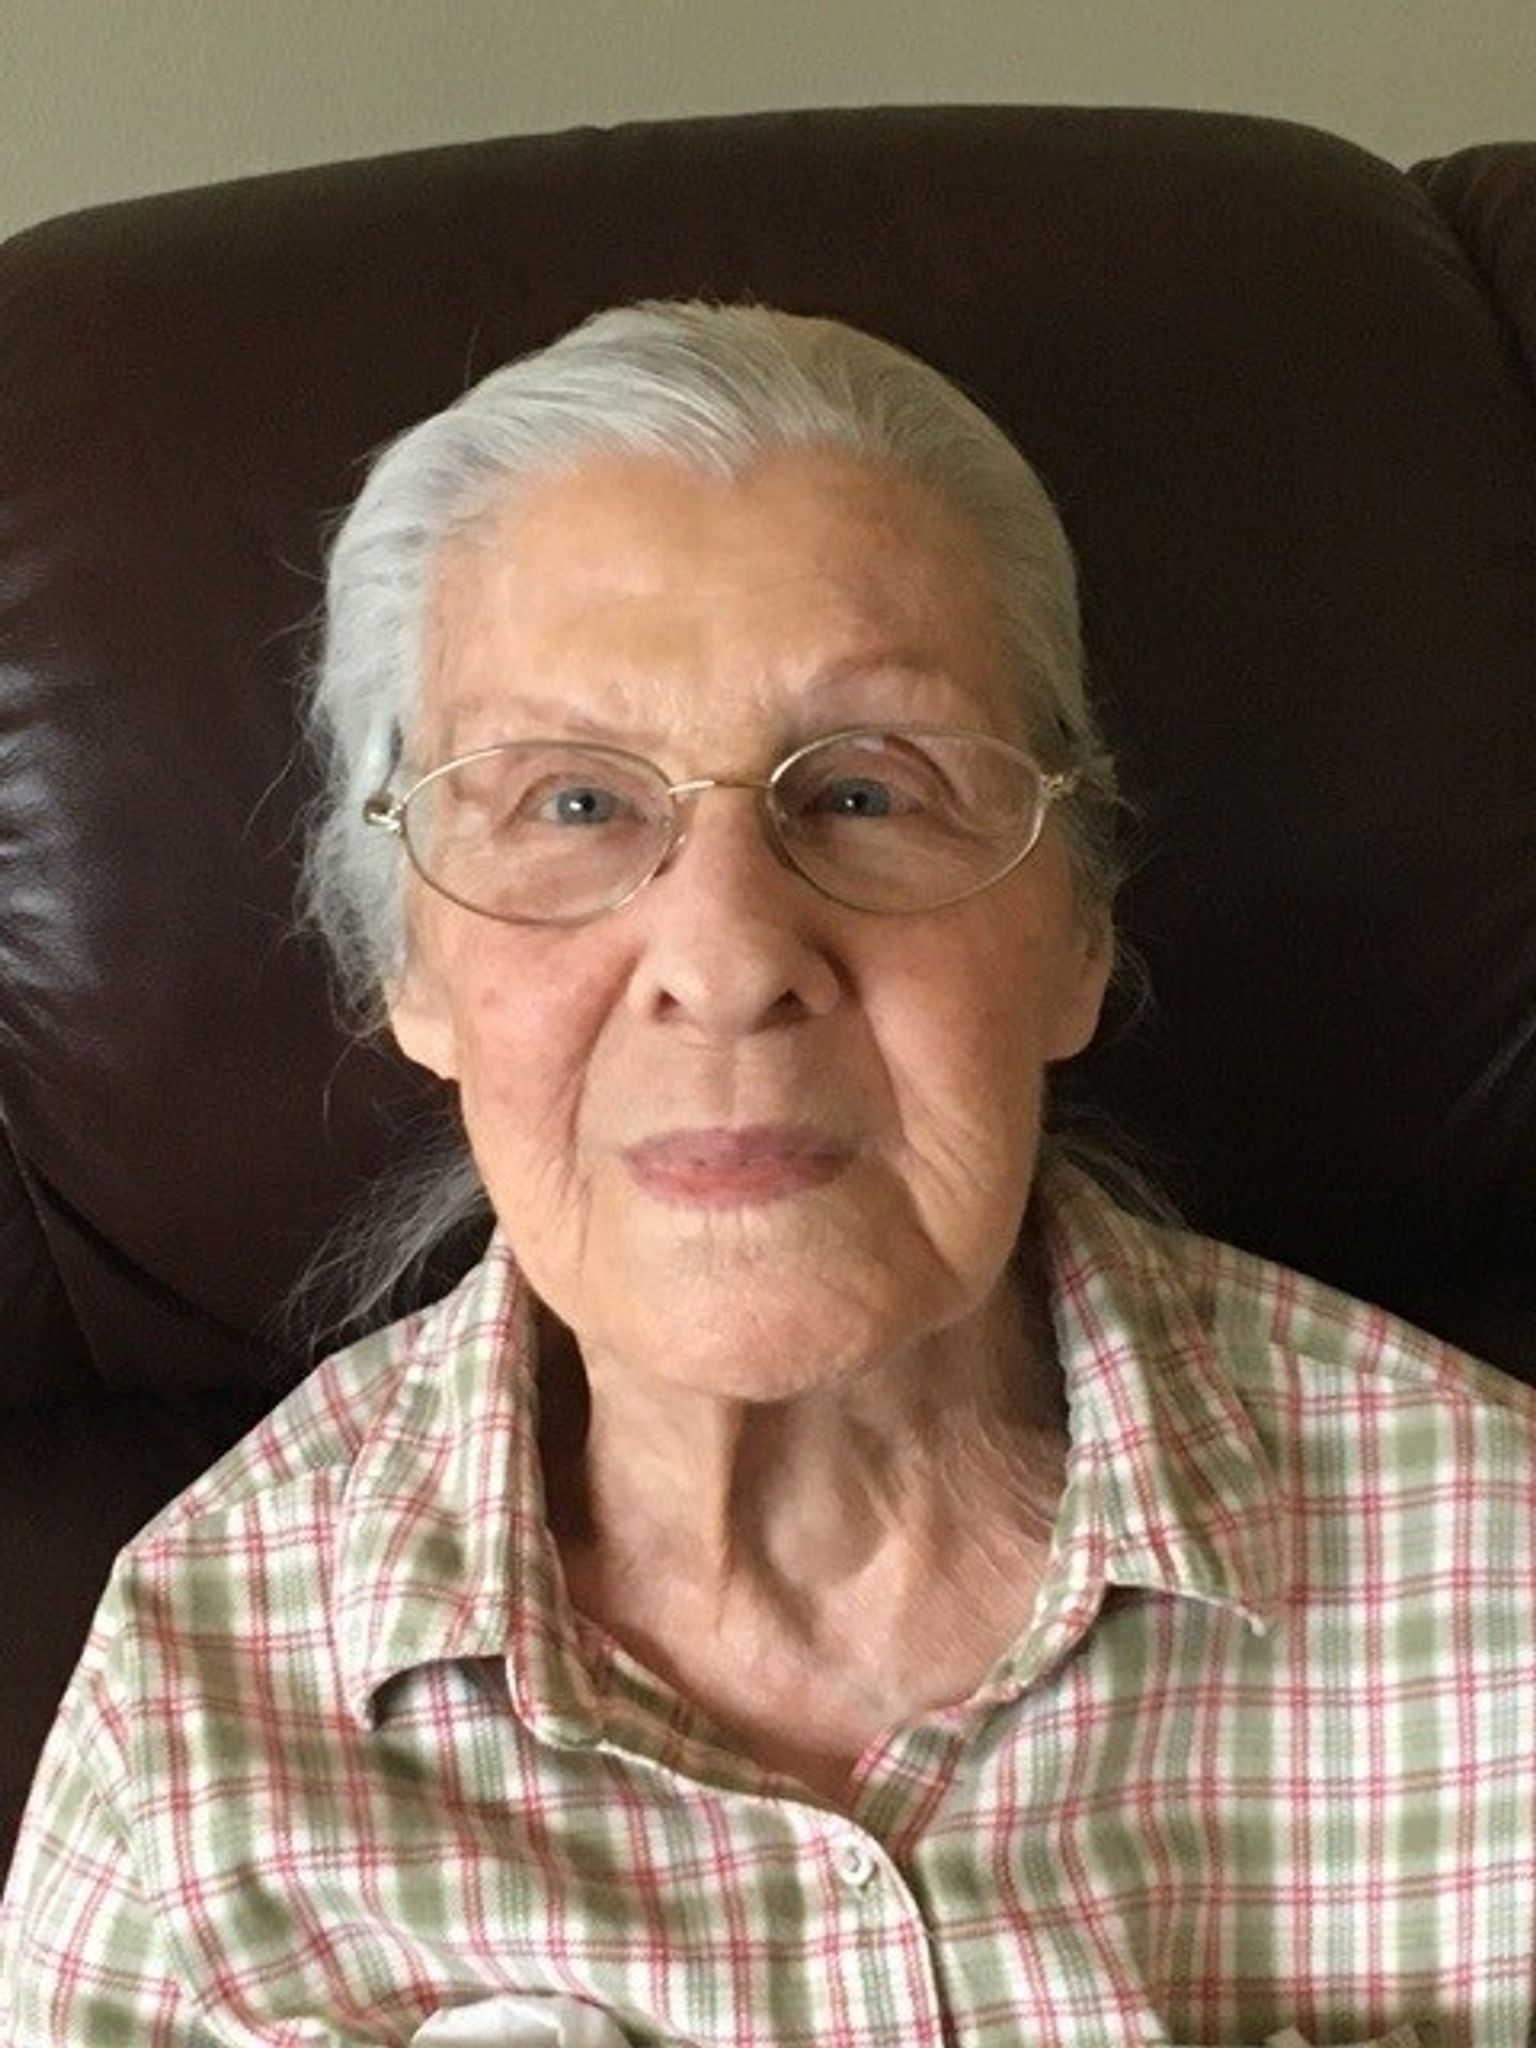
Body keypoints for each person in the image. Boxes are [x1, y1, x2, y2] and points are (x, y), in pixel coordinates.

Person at [2, 301, 1532, 2048]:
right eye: (572, 804)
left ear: (1076, 934)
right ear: (408, 969)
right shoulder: (197, 1736)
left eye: (868, 794)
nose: (727, 957)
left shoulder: (1499, 1583)